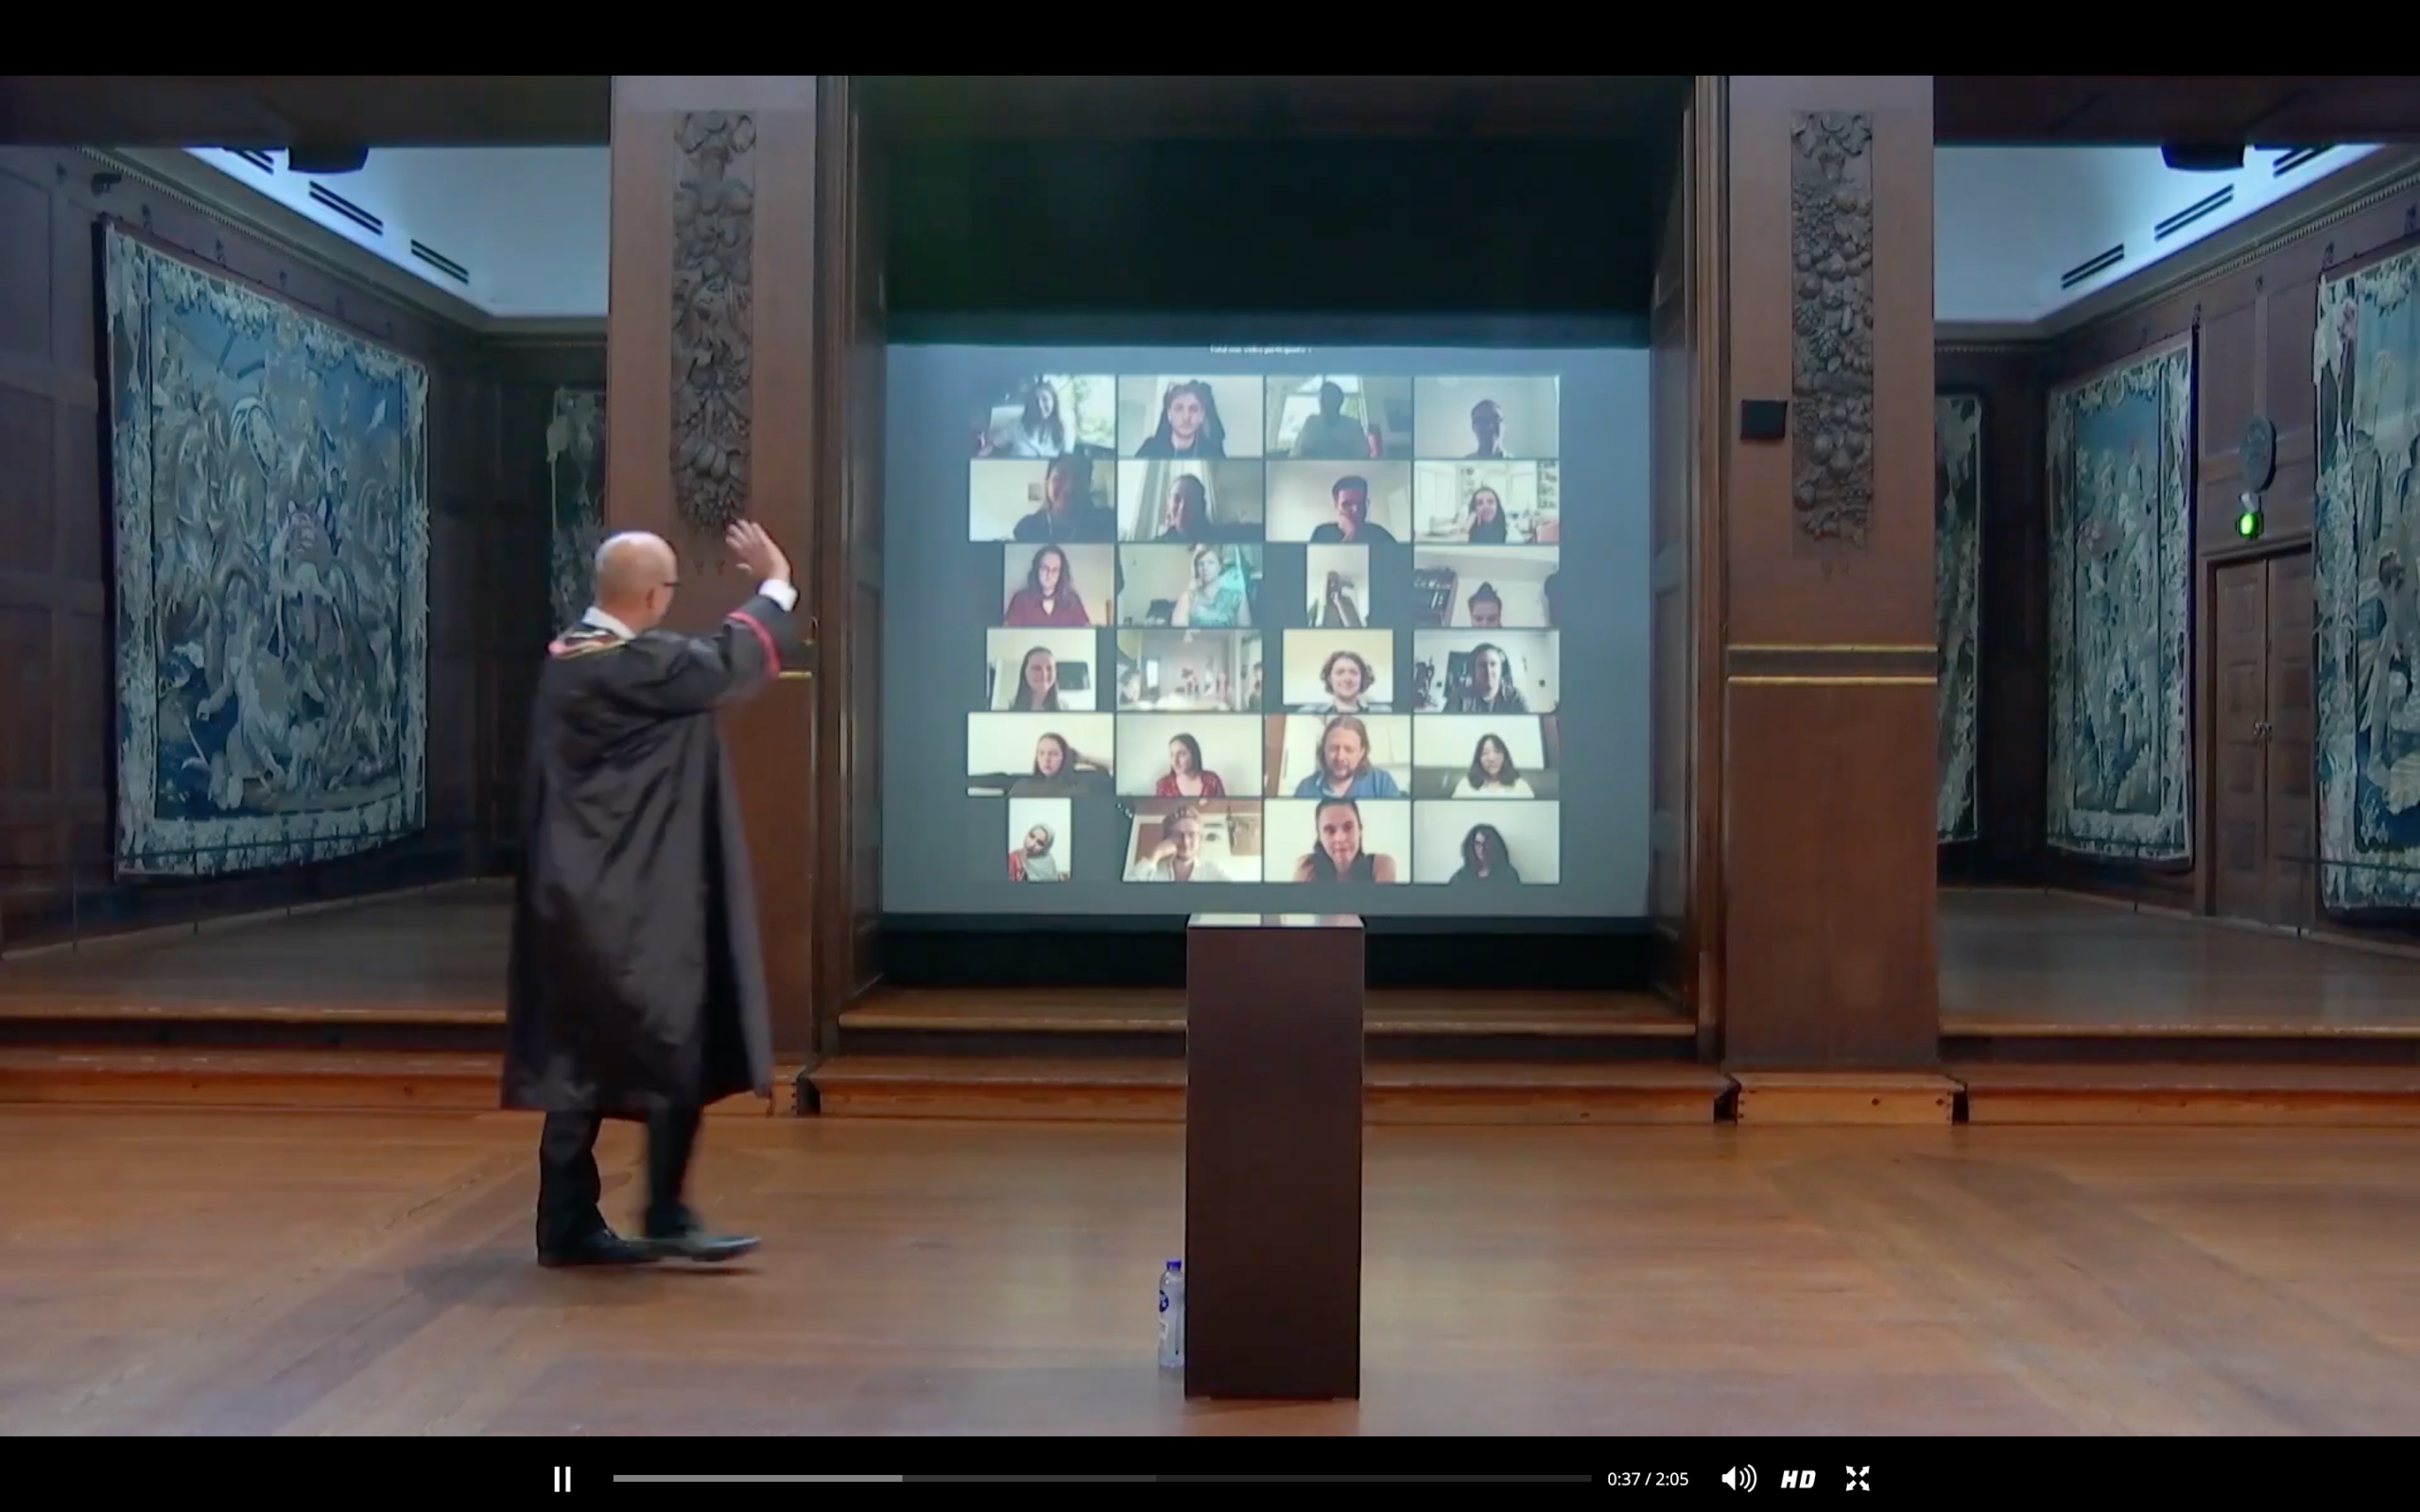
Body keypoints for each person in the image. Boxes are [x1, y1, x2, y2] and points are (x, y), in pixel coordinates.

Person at [502, 520, 804, 1268]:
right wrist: (776, 583)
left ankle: (575, 1222)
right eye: (669, 587)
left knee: (590, 1057)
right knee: (662, 1036)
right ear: (650, 594)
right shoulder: (616, 666)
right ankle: (651, 1215)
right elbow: (719, 664)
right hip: (618, 903)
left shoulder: (575, 657)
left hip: (590, 892)